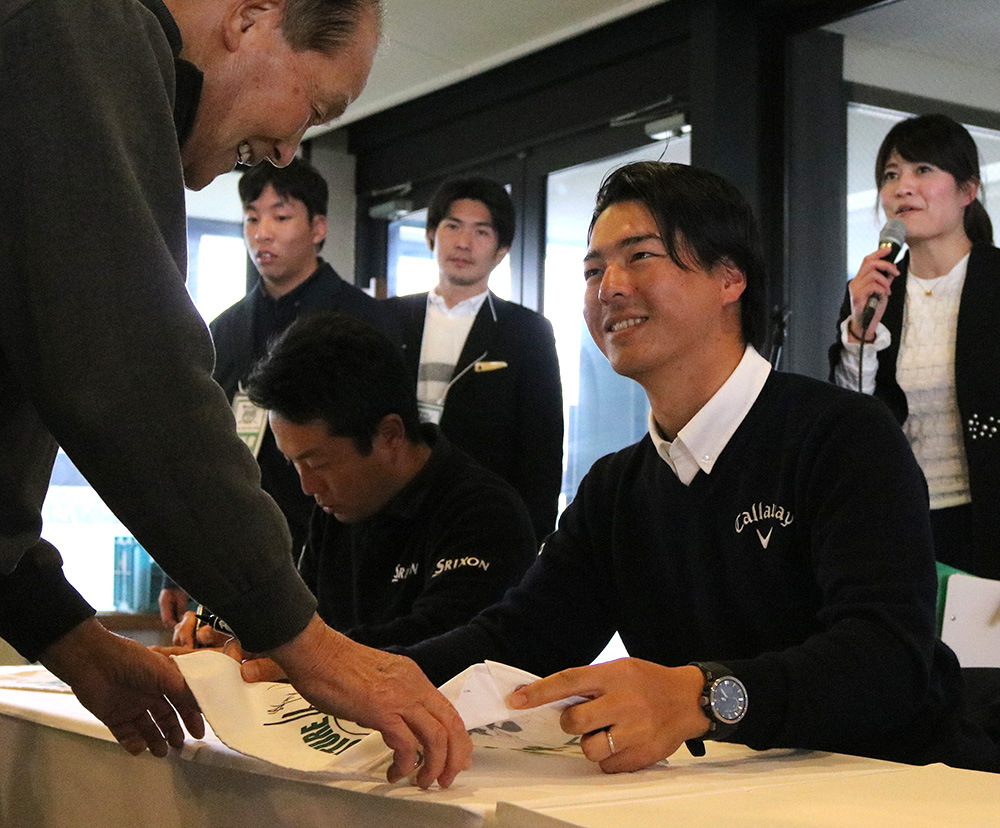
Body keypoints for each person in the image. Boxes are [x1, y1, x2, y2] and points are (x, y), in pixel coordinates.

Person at [0, 0, 469, 786]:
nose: (288, 151)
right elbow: (125, 375)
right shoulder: (76, 16)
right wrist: (304, 639)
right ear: (253, 17)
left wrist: (69, 638)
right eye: (314, 107)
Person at [380, 161, 1000, 775]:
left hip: (901, 785)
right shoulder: (614, 491)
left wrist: (702, 697)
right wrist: (357, 672)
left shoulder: (844, 436)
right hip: (726, 798)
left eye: (640, 256)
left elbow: (887, 659)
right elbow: (516, 640)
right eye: (593, 270)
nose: (609, 287)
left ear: (729, 278)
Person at [175, 312, 536, 650]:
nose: (308, 487)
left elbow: (439, 641)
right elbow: (305, 619)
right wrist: (229, 630)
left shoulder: (483, 514)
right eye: (294, 464)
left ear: (390, 434)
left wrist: (290, 654)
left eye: (318, 463)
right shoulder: (339, 510)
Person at [158, 158, 396, 628]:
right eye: (252, 218)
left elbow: (387, 453)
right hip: (241, 552)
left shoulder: (364, 322)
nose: (262, 233)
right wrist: (175, 570)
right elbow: (198, 450)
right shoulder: (223, 331)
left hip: (344, 548)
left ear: (318, 228)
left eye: (281, 217)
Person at [829, 114, 1000, 580]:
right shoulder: (876, 291)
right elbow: (851, 415)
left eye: (922, 170)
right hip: (901, 518)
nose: (902, 187)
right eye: (890, 175)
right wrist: (860, 332)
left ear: (968, 190)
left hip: (986, 517)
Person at [387, 176, 564, 543]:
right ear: (431, 236)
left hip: (480, 519)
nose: (463, 242)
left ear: (501, 250)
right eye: (453, 226)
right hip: (389, 509)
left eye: (481, 232)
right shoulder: (386, 319)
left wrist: (533, 540)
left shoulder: (527, 332)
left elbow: (542, 451)